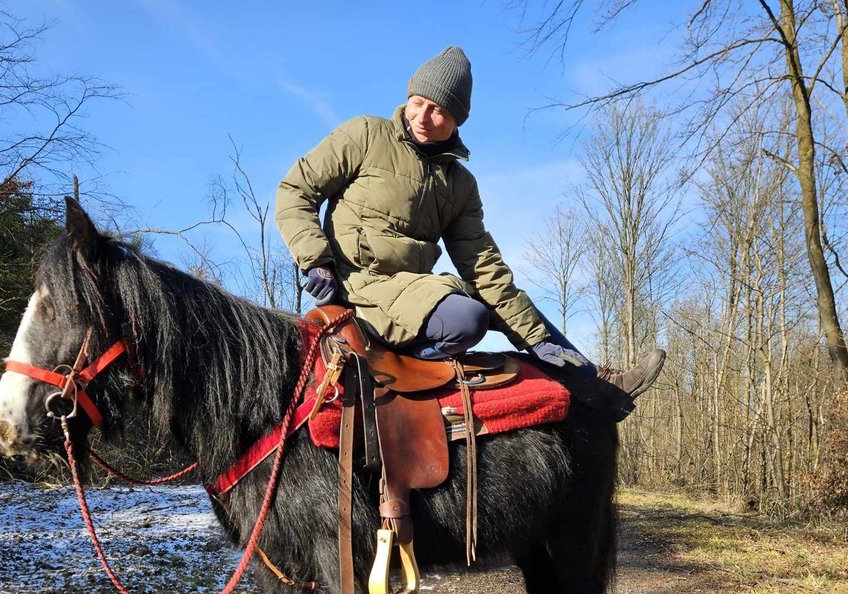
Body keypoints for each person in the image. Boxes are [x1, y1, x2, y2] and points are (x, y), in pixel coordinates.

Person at [276, 46, 665, 420]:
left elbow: (481, 263)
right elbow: (296, 190)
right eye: (418, 102)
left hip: (408, 289)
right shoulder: (364, 135)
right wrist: (317, 260)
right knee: (466, 317)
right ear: (408, 97)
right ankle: (400, 365)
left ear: (457, 120)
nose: (424, 116)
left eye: (439, 110)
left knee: (502, 301)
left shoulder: (461, 184)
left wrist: (538, 339)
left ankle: (595, 385)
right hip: (355, 282)